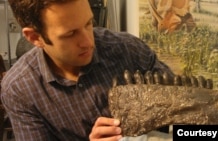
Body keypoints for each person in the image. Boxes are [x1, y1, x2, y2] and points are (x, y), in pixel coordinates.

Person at [0, 0, 175, 140]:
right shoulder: (19, 89)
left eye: (88, 23)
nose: (88, 42)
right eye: (70, 34)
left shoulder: (128, 49)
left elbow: (187, 119)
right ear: (35, 37)